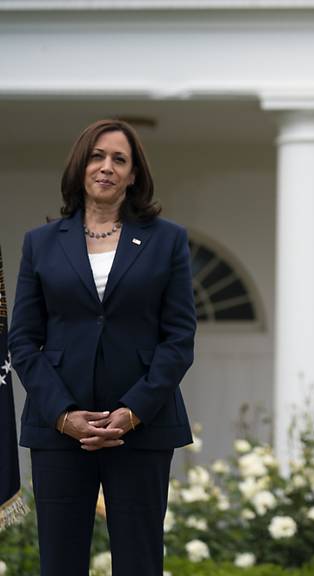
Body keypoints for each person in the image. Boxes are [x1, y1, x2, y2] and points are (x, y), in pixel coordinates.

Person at [9, 119, 196, 576]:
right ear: (80, 166)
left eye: (119, 159)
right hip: (59, 430)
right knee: (60, 562)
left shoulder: (167, 240)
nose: (106, 167)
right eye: (97, 156)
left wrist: (132, 411)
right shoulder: (40, 244)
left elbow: (179, 337)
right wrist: (62, 415)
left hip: (142, 427)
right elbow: (24, 339)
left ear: (134, 175)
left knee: (139, 561)